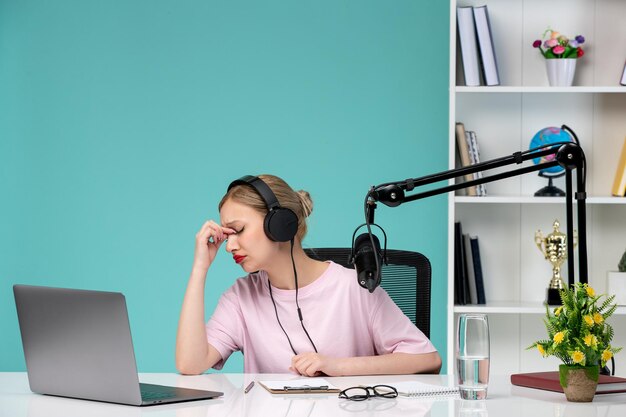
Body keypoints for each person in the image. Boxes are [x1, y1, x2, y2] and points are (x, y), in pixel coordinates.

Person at [176, 174, 441, 376]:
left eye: (239, 230)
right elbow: (190, 364)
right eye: (227, 235)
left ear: (279, 225)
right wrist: (200, 268)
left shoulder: (354, 288)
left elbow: (428, 359)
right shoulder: (241, 297)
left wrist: (337, 367)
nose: (229, 246)